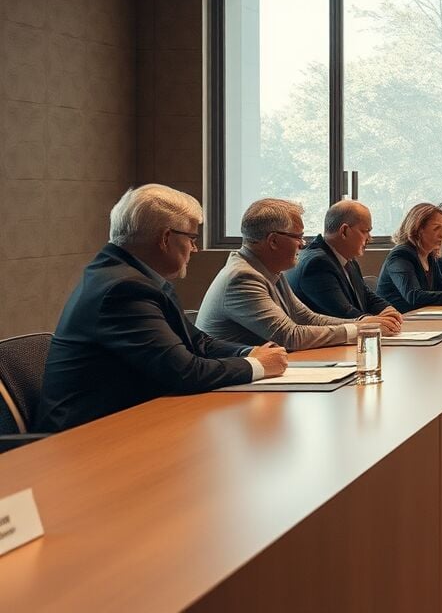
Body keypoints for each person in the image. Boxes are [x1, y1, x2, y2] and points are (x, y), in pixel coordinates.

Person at [34, 185, 288, 433]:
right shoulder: (123, 289)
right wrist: (256, 365)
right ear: (166, 238)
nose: (195, 249)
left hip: (123, 420)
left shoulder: (137, 277)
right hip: (82, 437)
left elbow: (198, 342)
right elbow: (185, 373)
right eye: (192, 238)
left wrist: (248, 351)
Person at [198, 199, 400, 351]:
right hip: (232, 387)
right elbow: (289, 336)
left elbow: (305, 317)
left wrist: (360, 324)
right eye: (298, 236)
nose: (303, 244)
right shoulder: (242, 277)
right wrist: (361, 329)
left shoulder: (270, 270)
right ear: (273, 241)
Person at [286, 200, 403, 329]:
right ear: (344, 231)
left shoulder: (347, 259)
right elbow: (344, 315)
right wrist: (377, 323)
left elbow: (366, 295)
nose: (370, 238)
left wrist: (388, 310)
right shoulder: (317, 264)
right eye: (365, 231)